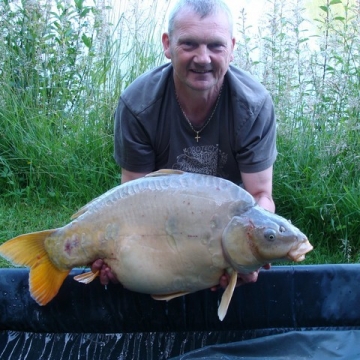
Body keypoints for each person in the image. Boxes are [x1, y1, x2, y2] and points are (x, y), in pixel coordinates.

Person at [91, 0, 277, 289]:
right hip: (158, 225)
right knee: (115, 269)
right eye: (189, 44)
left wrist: (249, 253)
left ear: (231, 46)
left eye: (215, 46)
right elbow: (131, 201)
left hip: (222, 226)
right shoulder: (138, 104)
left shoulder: (253, 106)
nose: (203, 58)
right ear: (167, 45)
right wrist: (120, 256)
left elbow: (260, 195)